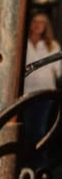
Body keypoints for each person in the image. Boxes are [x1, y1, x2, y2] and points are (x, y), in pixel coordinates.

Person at [22, 12, 61, 166]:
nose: (38, 25)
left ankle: (39, 165)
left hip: (45, 93)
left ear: (46, 26)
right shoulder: (23, 44)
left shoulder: (53, 45)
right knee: (26, 129)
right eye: (35, 21)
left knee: (40, 129)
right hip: (26, 93)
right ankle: (26, 163)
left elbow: (58, 71)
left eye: (42, 22)